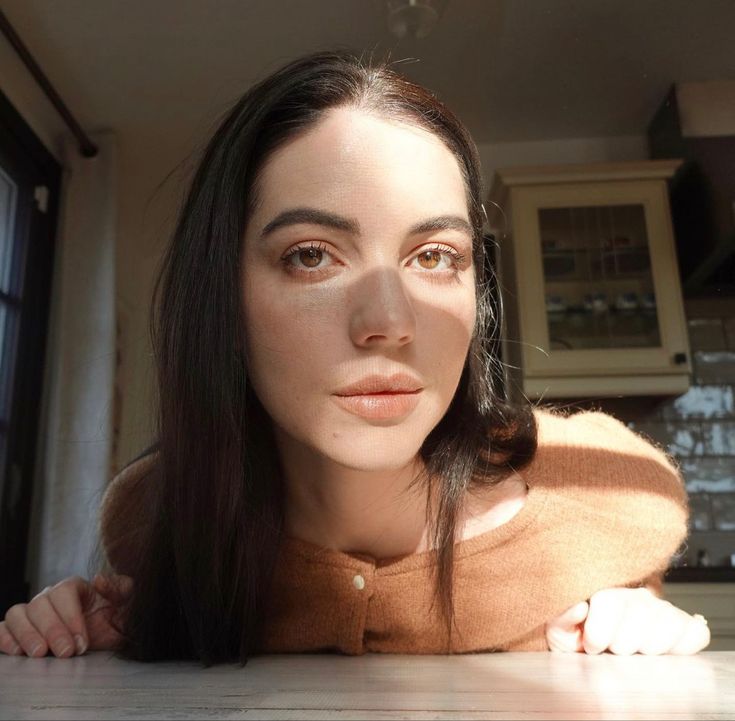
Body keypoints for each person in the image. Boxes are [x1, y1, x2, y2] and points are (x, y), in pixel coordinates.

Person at [0, 48, 709, 666]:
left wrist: (635, 633)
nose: (388, 324)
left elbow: (634, 619)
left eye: (433, 256)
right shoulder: (159, 517)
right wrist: (80, 632)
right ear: (220, 291)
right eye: (311, 256)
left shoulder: (603, 495)